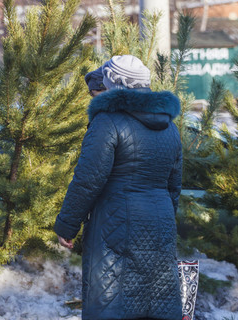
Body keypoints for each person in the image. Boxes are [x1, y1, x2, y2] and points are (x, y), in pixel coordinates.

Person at [54, 55, 183, 320]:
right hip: (160, 223)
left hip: (115, 225)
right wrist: (165, 218)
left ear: (114, 84)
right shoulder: (170, 126)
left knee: (113, 304)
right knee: (154, 304)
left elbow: (88, 179)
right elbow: (174, 186)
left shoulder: (107, 122)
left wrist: (67, 225)